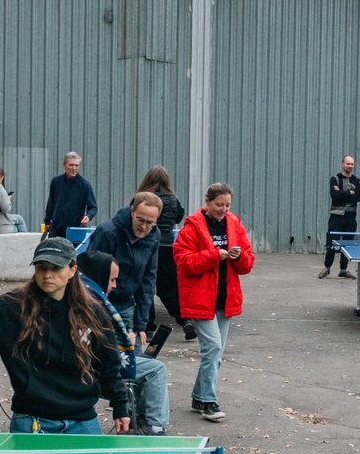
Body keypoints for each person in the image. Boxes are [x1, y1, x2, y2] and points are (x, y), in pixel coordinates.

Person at [0, 237, 133, 434]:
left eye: (55, 267)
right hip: (32, 422)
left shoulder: (94, 313)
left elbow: (109, 366)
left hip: (83, 422)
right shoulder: (15, 307)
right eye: (41, 267)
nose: (47, 274)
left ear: (72, 270)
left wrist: (120, 405)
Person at [171, 182, 252, 423]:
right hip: (200, 298)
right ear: (207, 201)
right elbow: (184, 261)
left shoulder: (234, 224)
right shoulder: (193, 226)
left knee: (215, 353)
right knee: (213, 349)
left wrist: (238, 257)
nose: (223, 209)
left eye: (227, 205)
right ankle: (208, 401)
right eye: (219, 204)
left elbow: (247, 263)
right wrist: (215, 255)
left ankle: (198, 397)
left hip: (225, 297)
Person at [76, 248, 170, 435]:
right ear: (99, 275)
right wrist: (123, 343)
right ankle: (155, 426)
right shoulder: (93, 304)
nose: (115, 285)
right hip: (93, 372)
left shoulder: (89, 295)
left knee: (145, 362)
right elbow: (103, 350)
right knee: (155, 369)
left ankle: (140, 418)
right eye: (111, 280)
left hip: (91, 368)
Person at [87, 192, 166, 340]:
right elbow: (91, 276)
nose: (143, 227)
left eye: (150, 223)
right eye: (140, 220)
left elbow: (148, 279)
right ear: (132, 211)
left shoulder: (154, 235)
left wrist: (141, 324)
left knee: (133, 352)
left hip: (126, 304)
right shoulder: (107, 233)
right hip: (102, 304)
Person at [136, 167, 188, 352]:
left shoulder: (142, 198)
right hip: (167, 246)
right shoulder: (173, 199)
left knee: (146, 285)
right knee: (170, 286)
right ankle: (184, 319)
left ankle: (148, 326)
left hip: (146, 245)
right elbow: (179, 216)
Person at [321, 155, 360, 279]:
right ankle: (327, 267)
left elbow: (358, 197)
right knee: (332, 243)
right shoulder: (335, 179)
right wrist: (349, 193)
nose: (350, 166)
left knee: (347, 245)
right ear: (342, 164)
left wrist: (342, 193)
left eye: (352, 164)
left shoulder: (356, 180)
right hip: (336, 216)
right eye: (347, 164)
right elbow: (334, 195)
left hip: (350, 218)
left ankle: (343, 269)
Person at [42, 152, 96, 235]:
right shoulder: (56, 181)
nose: (74, 168)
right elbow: (51, 203)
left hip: (75, 230)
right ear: (64, 165)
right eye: (71, 165)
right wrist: (47, 221)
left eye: (77, 165)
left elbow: (93, 207)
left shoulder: (85, 185)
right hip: (56, 229)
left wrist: (88, 216)